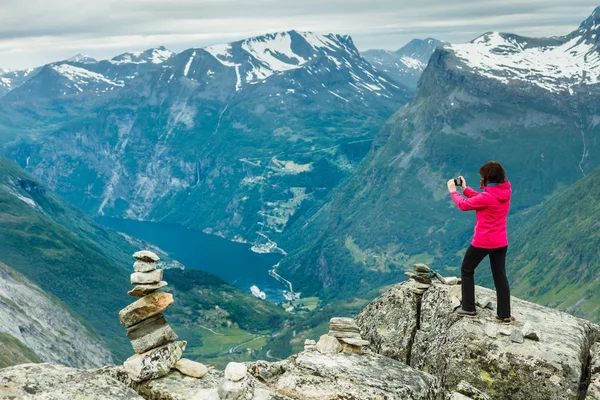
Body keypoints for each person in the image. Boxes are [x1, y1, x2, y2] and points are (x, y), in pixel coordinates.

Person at [446, 161, 512, 324]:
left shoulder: (488, 197)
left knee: (467, 269)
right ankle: (504, 314)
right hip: (501, 242)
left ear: (488, 178)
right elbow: (483, 199)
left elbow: (463, 205)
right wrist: (465, 189)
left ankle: (468, 308)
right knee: (500, 276)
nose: (481, 179)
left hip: (483, 241)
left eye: (482, 177)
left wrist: (453, 191)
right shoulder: (504, 192)